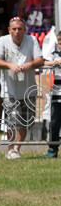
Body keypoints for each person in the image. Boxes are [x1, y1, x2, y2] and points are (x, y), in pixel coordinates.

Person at [0, 17, 43, 159]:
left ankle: (16, 149)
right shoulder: (3, 40)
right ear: (9, 30)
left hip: (28, 89)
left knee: (26, 122)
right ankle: (10, 149)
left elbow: (40, 59)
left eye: (20, 29)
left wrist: (30, 64)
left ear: (25, 30)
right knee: (12, 122)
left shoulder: (31, 40)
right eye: (14, 29)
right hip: (9, 90)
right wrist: (10, 65)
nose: (17, 32)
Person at [41, 28, 61, 158]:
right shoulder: (54, 53)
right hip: (56, 93)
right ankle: (52, 149)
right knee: (54, 123)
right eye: (60, 42)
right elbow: (43, 62)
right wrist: (56, 62)